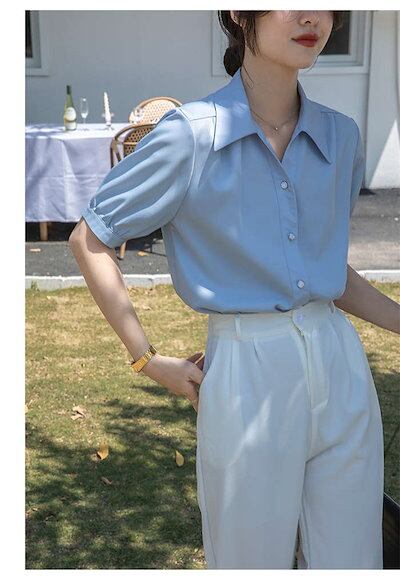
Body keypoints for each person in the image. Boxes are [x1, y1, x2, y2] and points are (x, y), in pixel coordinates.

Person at [69, 10, 400, 569]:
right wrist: (148, 359)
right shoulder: (191, 135)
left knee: (353, 558)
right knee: (250, 559)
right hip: (248, 368)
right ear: (240, 13)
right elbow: (90, 237)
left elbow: (327, 271)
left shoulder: (340, 136)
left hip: (340, 363)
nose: (312, 16)